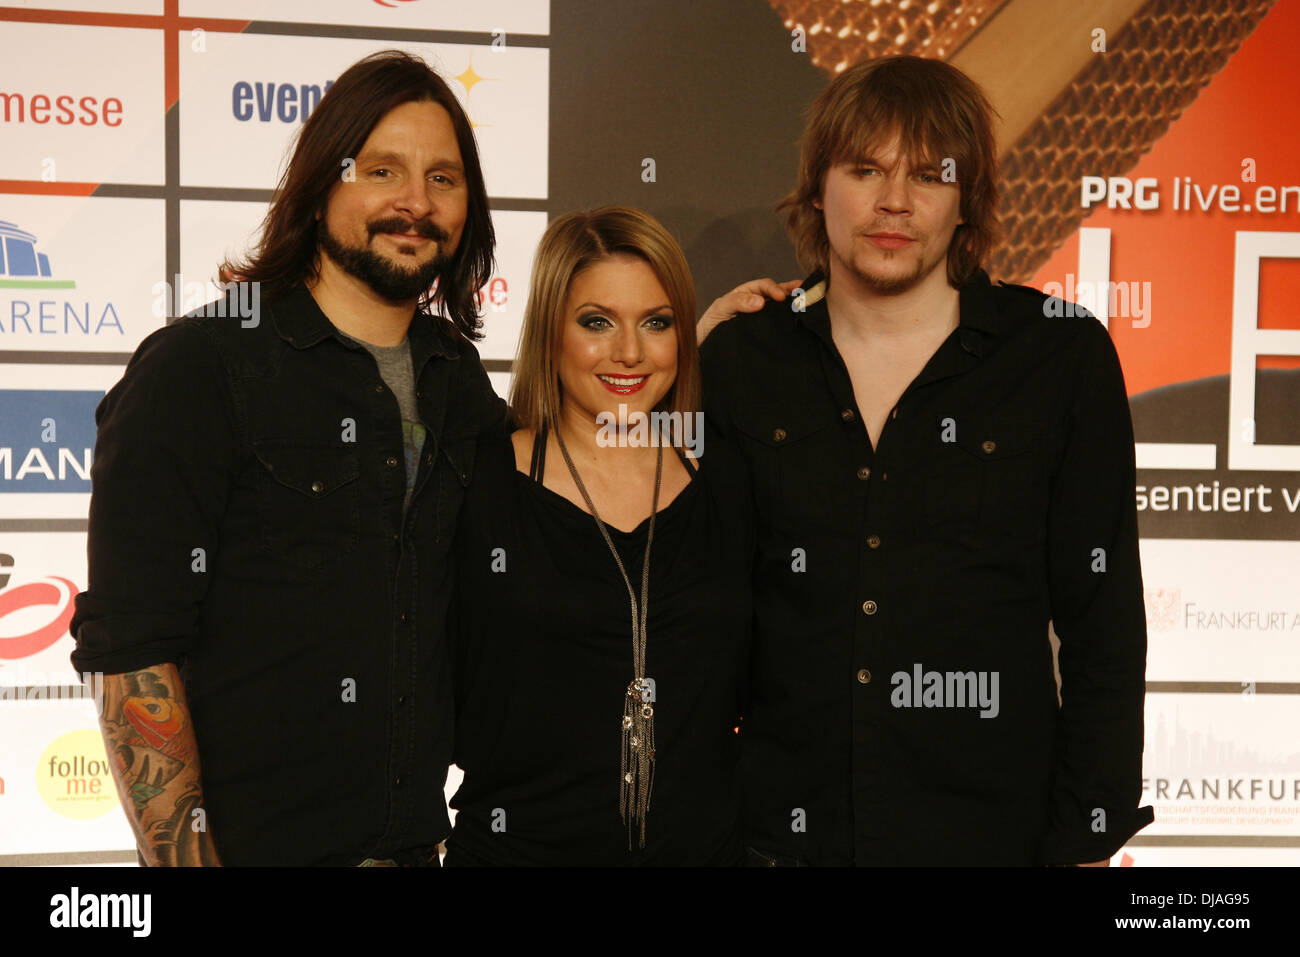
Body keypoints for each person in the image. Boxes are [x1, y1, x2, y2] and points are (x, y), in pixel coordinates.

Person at [698, 55, 1153, 866]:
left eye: (929, 175)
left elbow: (1104, 622)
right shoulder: (744, 358)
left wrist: (1089, 832)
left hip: (996, 840)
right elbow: (695, 608)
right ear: (817, 186)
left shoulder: (1060, 354)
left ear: (966, 201)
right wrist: (681, 374)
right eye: (865, 169)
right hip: (780, 841)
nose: (894, 203)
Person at [70, 50, 507, 866]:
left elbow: (568, 472)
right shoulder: (200, 368)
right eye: (383, 169)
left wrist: (686, 362)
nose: (415, 201)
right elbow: (132, 652)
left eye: (444, 179)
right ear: (322, 183)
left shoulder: (460, 381)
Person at [445, 207, 752, 865]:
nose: (629, 353)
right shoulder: (481, 481)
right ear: (551, 331)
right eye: (596, 322)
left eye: (657, 323)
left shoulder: (731, 482)